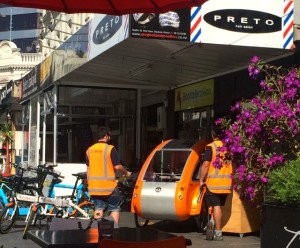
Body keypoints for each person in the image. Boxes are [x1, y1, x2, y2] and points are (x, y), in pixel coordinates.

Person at [86, 127, 131, 225]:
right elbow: (118, 166)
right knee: (115, 208)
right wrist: (126, 173)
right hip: (109, 186)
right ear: (106, 136)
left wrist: (89, 182)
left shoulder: (90, 150)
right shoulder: (110, 148)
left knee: (98, 208)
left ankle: (97, 230)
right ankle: (113, 231)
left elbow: (88, 169)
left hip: (94, 187)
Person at [199, 125, 232, 241]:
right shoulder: (228, 147)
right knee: (216, 206)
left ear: (213, 136)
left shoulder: (211, 147)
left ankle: (218, 233)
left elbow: (206, 164)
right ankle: (212, 222)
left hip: (213, 183)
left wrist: (201, 180)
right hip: (226, 183)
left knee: (215, 206)